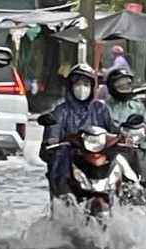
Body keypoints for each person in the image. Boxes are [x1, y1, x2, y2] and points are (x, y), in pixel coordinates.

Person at [40, 64, 118, 198]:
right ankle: (63, 198)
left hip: (96, 160)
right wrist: (52, 141)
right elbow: (53, 131)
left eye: (86, 84)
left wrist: (125, 136)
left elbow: (114, 130)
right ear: (71, 86)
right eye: (78, 83)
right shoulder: (61, 111)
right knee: (60, 166)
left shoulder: (101, 109)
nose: (82, 88)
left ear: (92, 87)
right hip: (69, 161)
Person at [104, 69, 146, 140]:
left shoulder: (136, 106)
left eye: (128, 85)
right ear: (112, 87)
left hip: (135, 143)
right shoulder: (104, 108)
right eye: (121, 87)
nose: (126, 89)